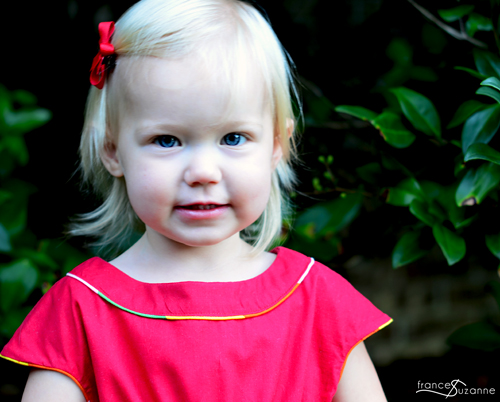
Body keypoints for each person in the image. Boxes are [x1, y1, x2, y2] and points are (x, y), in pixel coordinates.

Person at [1, 1, 392, 401]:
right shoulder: (79, 309)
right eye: (166, 140)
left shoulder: (316, 299)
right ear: (113, 151)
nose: (203, 172)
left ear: (277, 144)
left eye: (233, 138)